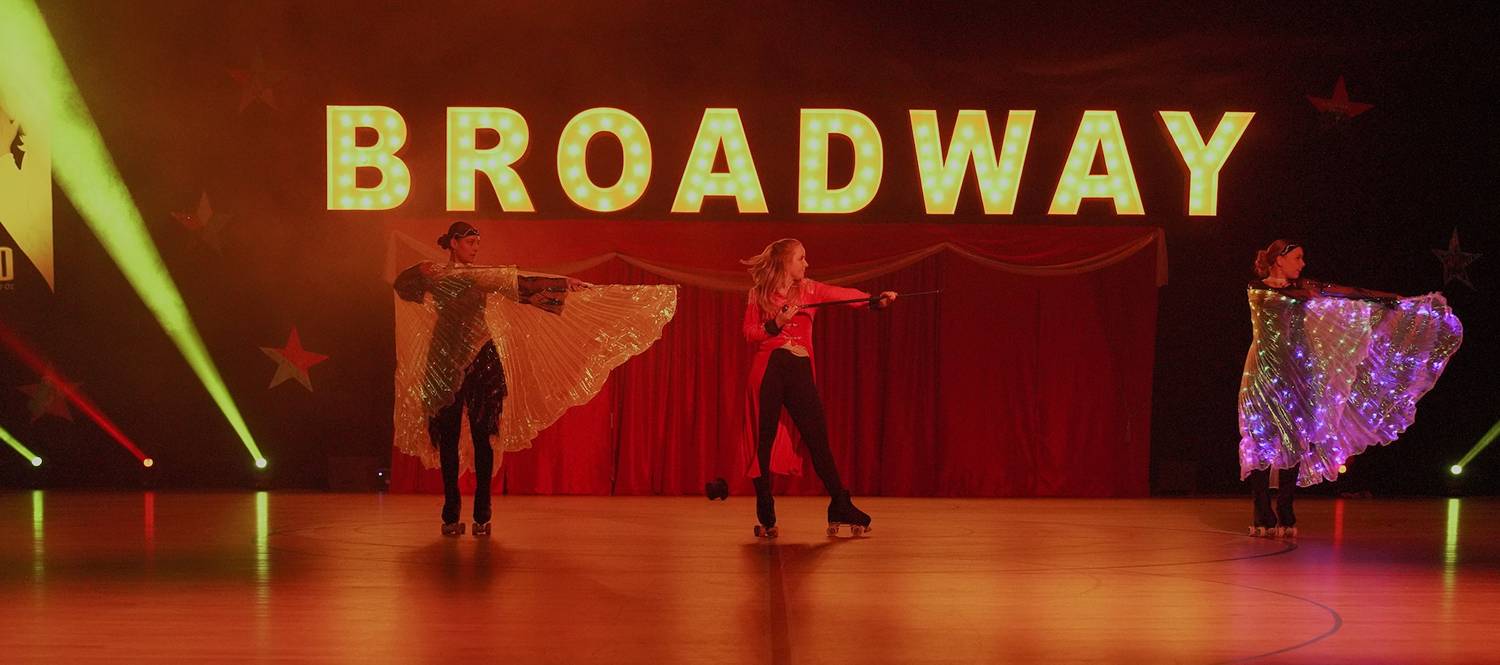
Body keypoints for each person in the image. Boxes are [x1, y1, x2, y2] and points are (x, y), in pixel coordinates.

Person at [393, 221, 677, 536]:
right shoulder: (436, 275)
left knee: (483, 436)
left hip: (482, 360)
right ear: (454, 243)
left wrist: (563, 284)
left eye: (477, 243)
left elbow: (522, 285)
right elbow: (403, 286)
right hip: (445, 359)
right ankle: (450, 513)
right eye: (471, 242)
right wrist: (422, 269)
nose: (475, 249)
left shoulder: (483, 276)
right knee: (447, 437)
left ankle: (483, 511)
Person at [1238, 239, 1462, 537]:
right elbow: (1293, 295)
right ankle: (1261, 512)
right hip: (1263, 371)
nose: (1303, 263)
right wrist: (1316, 294)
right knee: (1261, 438)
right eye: (1298, 257)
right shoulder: (1257, 288)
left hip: (1298, 370)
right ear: (1279, 259)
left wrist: (1390, 299)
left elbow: (1349, 292)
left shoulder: (1305, 287)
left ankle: (1286, 510)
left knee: (1294, 439)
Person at [740, 238, 896, 538]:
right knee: (763, 438)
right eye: (801, 258)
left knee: (817, 439)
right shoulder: (758, 294)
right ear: (785, 262)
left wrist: (874, 301)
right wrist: (776, 322)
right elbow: (749, 333)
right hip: (769, 368)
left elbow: (842, 295)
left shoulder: (809, 289)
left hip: (798, 369)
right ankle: (765, 505)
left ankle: (840, 502)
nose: (806, 263)